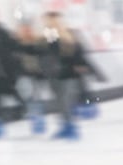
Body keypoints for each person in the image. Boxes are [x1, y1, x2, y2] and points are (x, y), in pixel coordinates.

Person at [38, 12, 102, 140]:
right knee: (60, 103)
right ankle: (66, 126)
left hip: (68, 74)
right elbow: (45, 54)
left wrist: (91, 70)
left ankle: (72, 128)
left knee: (66, 102)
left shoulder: (69, 34)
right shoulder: (48, 35)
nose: (49, 23)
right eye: (47, 20)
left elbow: (79, 54)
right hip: (54, 75)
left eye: (52, 20)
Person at [14, 20, 48, 135]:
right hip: (24, 74)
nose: (26, 31)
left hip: (37, 74)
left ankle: (38, 120)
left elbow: (43, 57)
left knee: (36, 97)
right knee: (29, 96)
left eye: (28, 29)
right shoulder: (17, 44)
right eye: (24, 29)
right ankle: (34, 118)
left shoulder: (37, 42)